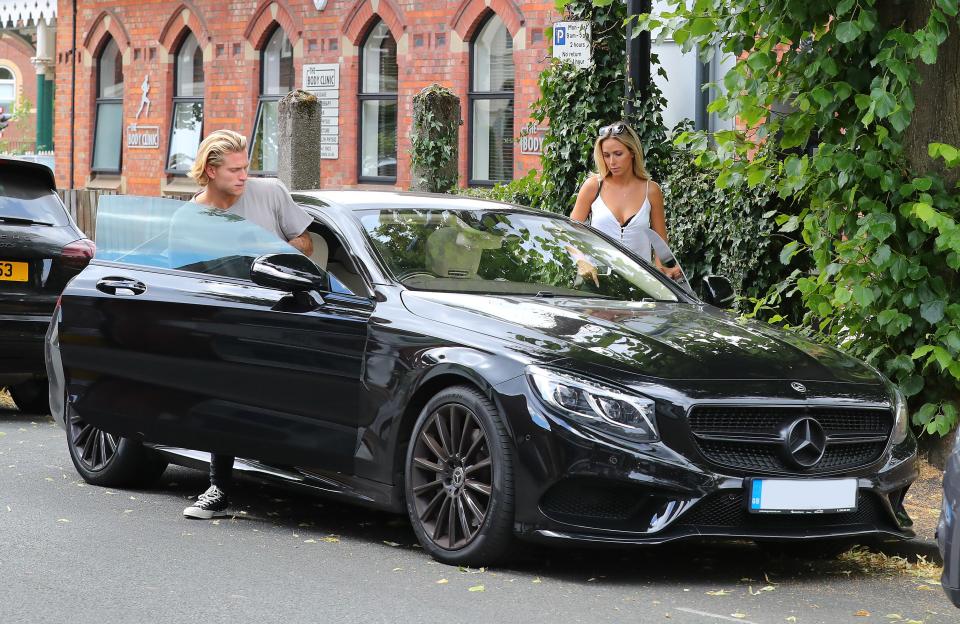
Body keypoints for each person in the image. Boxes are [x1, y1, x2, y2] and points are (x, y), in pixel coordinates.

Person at [181, 129, 313, 519]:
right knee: (224, 393)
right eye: (235, 170)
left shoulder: (270, 192)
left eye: (246, 168)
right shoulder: (191, 217)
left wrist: (282, 256)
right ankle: (218, 488)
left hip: (284, 308)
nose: (243, 176)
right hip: (229, 317)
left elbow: (305, 240)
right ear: (210, 170)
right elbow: (187, 275)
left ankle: (292, 466)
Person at [570, 121, 682, 281]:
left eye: (618, 154)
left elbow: (660, 244)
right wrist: (581, 260)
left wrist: (663, 269)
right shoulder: (593, 187)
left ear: (632, 152)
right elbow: (569, 232)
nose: (611, 162)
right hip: (596, 283)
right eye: (606, 155)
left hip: (640, 285)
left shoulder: (651, 191)